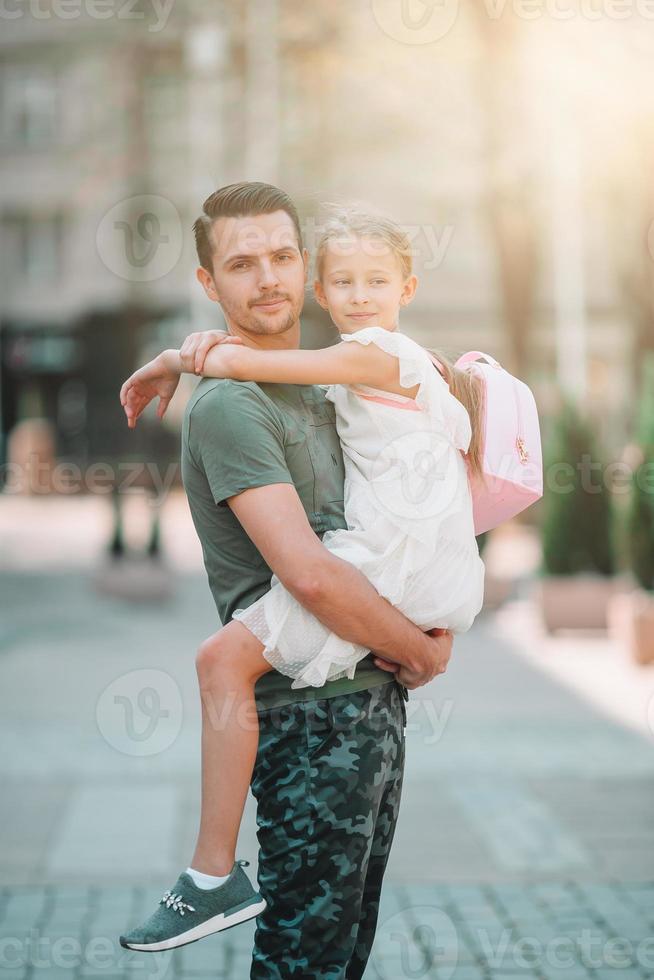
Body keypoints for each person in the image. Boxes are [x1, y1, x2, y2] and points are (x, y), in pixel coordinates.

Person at [119, 183, 457, 978]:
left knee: (337, 961)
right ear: (210, 284)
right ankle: (210, 876)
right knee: (303, 966)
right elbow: (308, 575)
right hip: (309, 729)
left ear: (306, 268)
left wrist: (174, 355)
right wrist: (423, 650)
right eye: (241, 264)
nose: (266, 278)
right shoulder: (233, 408)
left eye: (280, 256)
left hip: (368, 708)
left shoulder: (324, 376)